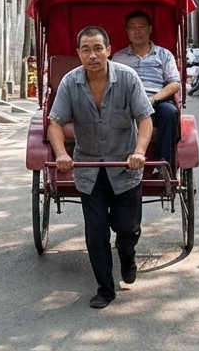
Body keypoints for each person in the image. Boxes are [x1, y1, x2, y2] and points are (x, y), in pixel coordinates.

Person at [47, 26, 154, 309]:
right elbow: (55, 123)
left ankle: (128, 255)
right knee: (96, 233)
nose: (92, 55)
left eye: (97, 48)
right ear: (79, 53)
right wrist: (61, 153)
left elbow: (145, 119)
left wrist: (139, 152)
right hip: (89, 170)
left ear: (108, 49)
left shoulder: (128, 78)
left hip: (125, 168)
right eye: (85, 49)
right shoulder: (71, 83)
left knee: (127, 228)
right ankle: (105, 289)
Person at [110, 10, 181, 174]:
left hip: (155, 102)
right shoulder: (119, 58)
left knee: (170, 112)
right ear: (127, 32)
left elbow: (174, 84)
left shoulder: (164, 55)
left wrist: (153, 99)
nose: (137, 31)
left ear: (150, 29)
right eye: (132, 27)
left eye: (141, 26)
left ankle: (163, 166)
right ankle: (115, 165)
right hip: (126, 104)